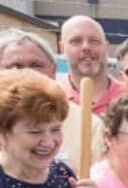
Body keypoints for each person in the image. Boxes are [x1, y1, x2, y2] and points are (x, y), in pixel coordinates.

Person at [0, 28, 103, 166]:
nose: (28, 73)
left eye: (36, 65)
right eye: (15, 66)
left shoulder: (88, 124)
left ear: (53, 71)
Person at [58, 16, 125, 116]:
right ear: (62, 49)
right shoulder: (51, 98)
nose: (86, 47)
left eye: (94, 41)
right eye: (76, 41)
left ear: (106, 48)